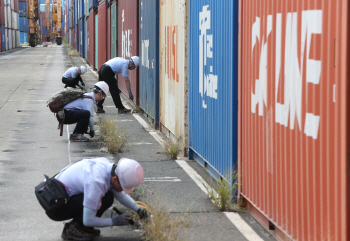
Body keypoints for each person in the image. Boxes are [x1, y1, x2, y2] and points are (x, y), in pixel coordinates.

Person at [46, 157, 147, 241]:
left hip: (56, 196)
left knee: (107, 195)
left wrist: (138, 209)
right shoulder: (96, 183)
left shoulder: (108, 166)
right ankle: (72, 228)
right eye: (123, 187)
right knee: (106, 197)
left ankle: (82, 227)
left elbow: (119, 194)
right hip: (56, 206)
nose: (123, 190)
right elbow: (88, 220)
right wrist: (115, 221)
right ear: (115, 179)